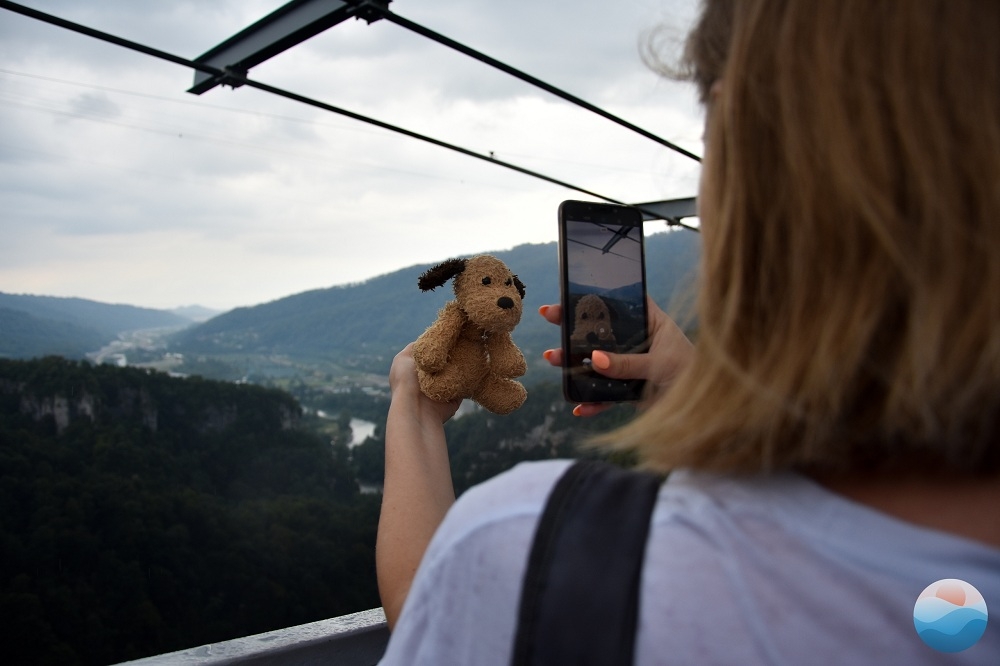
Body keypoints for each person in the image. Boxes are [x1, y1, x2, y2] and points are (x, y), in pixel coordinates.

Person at [376, 0, 1000, 663]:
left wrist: (414, 408)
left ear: (743, 142)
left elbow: (426, 606)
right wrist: (708, 394)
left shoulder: (538, 545)